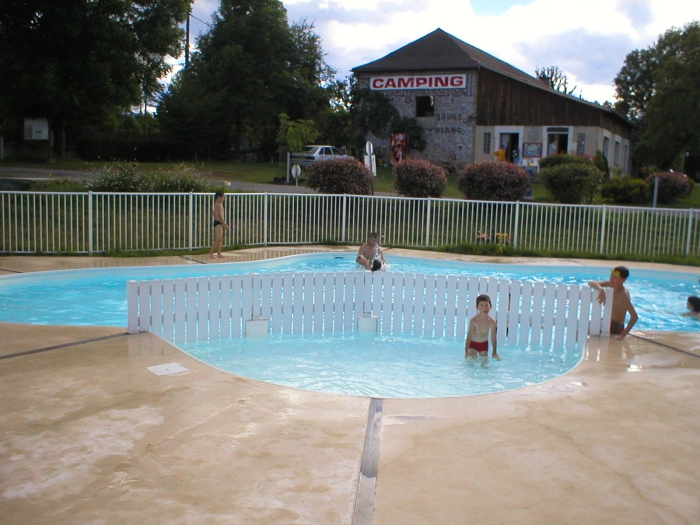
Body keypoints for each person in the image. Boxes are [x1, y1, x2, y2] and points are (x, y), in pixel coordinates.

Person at [588, 266, 638, 340]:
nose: (611, 278)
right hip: (606, 321)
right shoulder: (609, 284)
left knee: (587, 334)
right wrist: (601, 289)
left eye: (615, 277)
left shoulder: (623, 295)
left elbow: (634, 317)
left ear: (623, 280)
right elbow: (590, 283)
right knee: (581, 331)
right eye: (611, 275)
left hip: (615, 325)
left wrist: (622, 334)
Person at [464, 294, 500, 367]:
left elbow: (493, 337)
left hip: (484, 345)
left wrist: (494, 352)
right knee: (472, 362)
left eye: (486, 305)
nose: (485, 308)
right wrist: (466, 351)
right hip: (473, 344)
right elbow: (469, 336)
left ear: (491, 307)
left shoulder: (491, 322)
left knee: (485, 365)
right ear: (477, 307)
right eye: (482, 305)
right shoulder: (474, 321)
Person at [208, 191, 228, 259]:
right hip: (218, 222)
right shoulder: (218, 205)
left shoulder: (216, 204)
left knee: (220, 239)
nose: (223, 199)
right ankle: (210, 253)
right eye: (223, 197)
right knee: (218, 238)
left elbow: (213, 212)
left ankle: (219, 253)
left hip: (218, 222)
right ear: (218, 197)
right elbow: (219, 215)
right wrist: (224, 223)